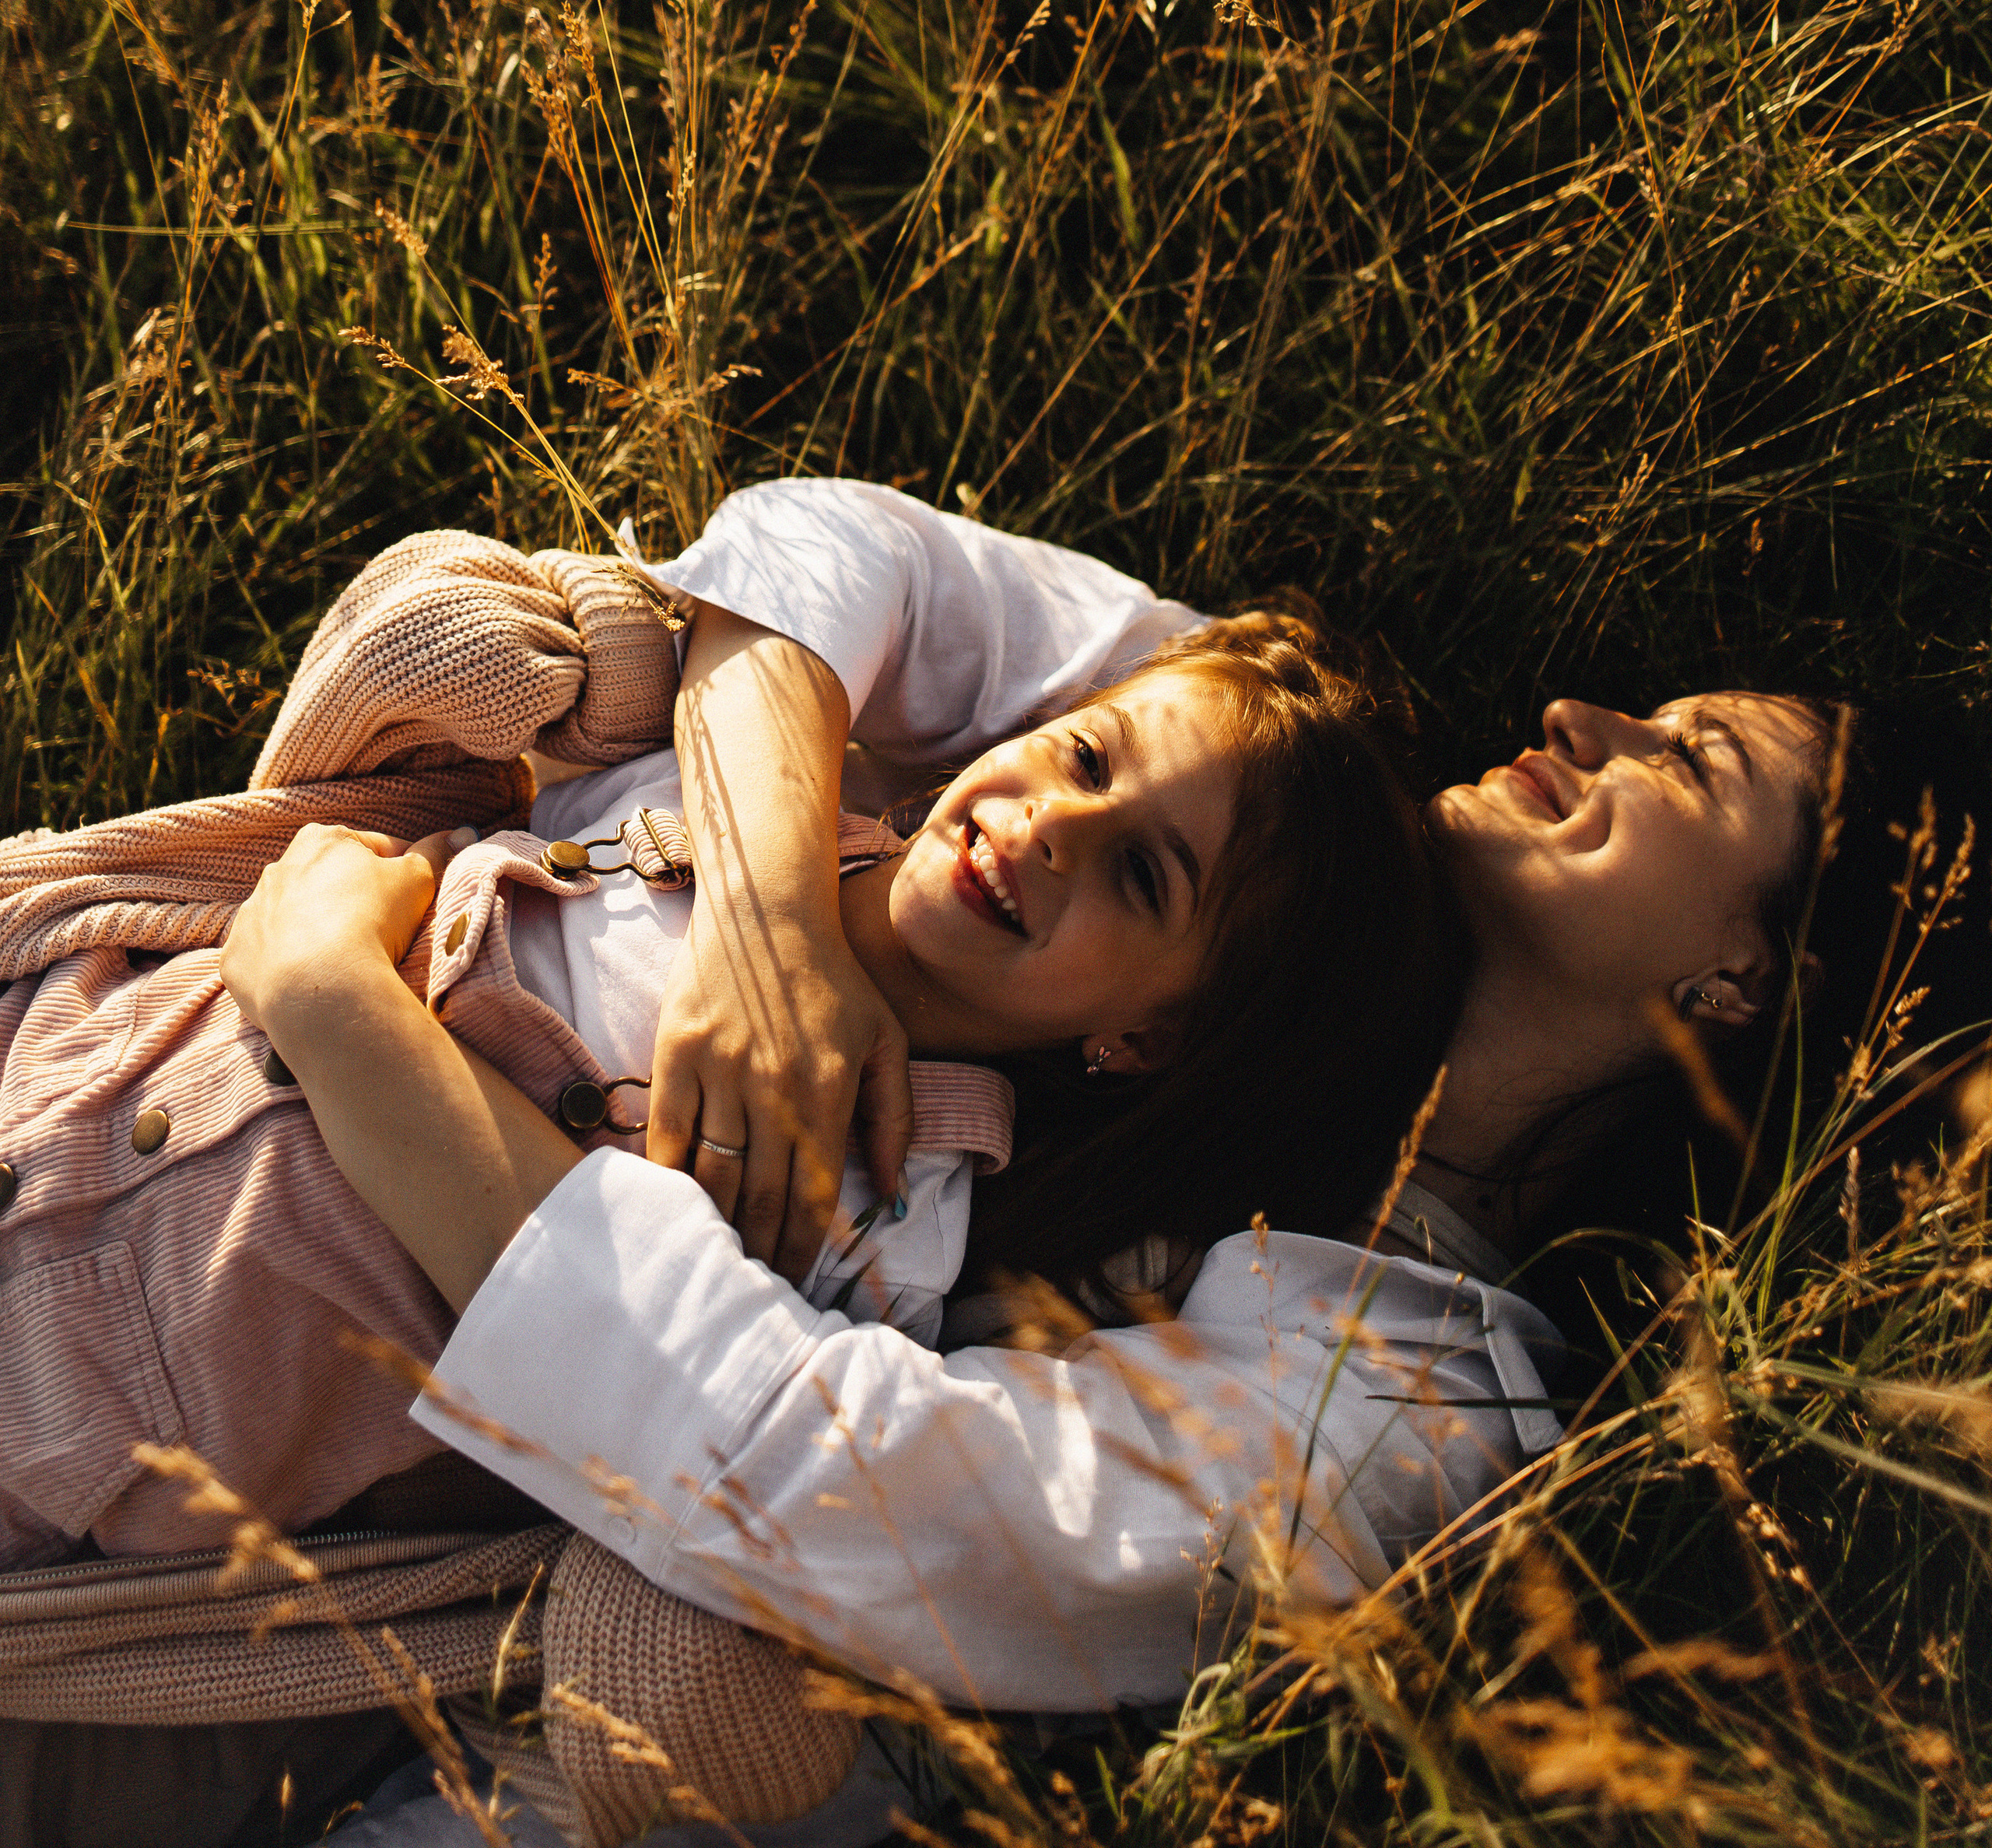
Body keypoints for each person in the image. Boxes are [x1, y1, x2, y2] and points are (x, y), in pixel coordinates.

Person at [232, 479, 1987, 1730]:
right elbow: (825, 551)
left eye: (1681, 759)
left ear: (1733, 988)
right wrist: (772, 933)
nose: (1579, 718)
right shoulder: (1283, 797)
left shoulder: (1406, 1412)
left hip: (296, 1423)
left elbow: (808, 1484)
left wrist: (339, 1016)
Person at [0, 527, 1450, 1570]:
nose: (1058, 826)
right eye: (1085, 758)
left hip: (125, 1397)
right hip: (80, 1055)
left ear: (1144, 1038)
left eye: (1144, 877)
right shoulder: (717, 808)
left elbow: (583, 1432)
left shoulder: (896, 1217)